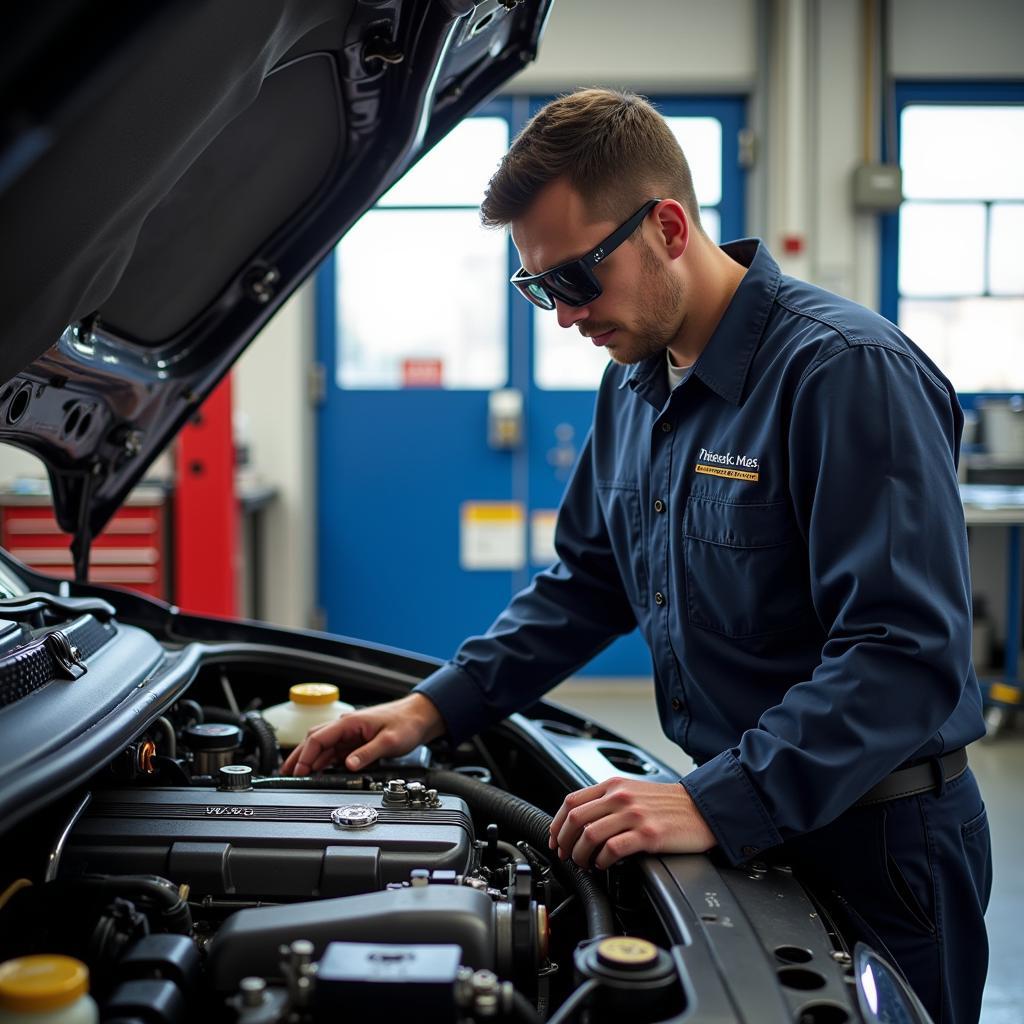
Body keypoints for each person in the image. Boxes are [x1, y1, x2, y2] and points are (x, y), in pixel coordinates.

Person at [284, 89, 991, 1023]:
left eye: (576, 278)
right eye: (540, 289)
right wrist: (432, 706)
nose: (566, 318)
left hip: (879, 846)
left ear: (666, 226)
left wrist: (717, 800)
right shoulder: (636, 384)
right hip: (745, 826)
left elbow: (905, 656)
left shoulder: (843, 373)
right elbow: (587, 584)